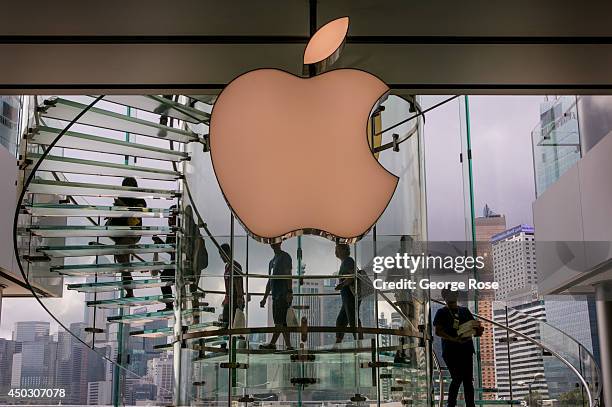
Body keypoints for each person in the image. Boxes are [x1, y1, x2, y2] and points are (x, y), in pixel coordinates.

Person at [433, 289, 476, 407]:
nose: (452, 296)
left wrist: (477, 330)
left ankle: (470, 405)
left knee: (468, 380)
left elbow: (473, 326)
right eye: (448, 295)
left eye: (454, 294)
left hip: (466, 349)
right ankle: (451, 404)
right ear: (444, 297)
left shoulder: (464, 311)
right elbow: (437, 331)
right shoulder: (441, 312)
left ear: (457, 295)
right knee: (457, 378)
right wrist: (453, 339)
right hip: (451, 351)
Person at [108, 177, 147, 298]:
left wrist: (123, 207)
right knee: (123, 261)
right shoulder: (123, 198)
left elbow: (138, 214)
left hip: (131, 233)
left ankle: (129, 289)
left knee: (122, 258)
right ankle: (129, 290)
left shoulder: (139, 200)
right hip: (121, 234)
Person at [259, 242, 293, 350]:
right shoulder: (271, 262)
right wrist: (264, 298)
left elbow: (288, 274)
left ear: (280, 242)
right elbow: (270, 281)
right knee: (282, 322)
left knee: (279, 321)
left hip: (282, 294)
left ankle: (273, 344)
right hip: (275, 294)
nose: (273, 244)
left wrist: (289, 291)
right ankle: (288, 345)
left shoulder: (285, 257)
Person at [334, 243, 363, 343]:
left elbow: (352, 276)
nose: (336, 252)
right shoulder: (345, 262)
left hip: (350, 295)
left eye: (338, 250)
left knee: (352, 319)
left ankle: (360, 343)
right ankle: (338, 342)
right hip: (347, 295)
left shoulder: (348, 261)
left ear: (344, 250)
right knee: (341, 320)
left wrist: (342, 285)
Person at [152, 205, 176, 311]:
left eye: (171, 217)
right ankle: (169, 305)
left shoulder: (182, 231)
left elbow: (173, 249)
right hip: (175, 261)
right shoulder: (171, 232)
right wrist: (159, 243)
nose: (169, 220)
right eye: (169, 217)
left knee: (165, 278)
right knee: (164, 278)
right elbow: (170, 249)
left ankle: (170, 305)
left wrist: (160, 243)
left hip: (180, 262)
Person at [219, 243, 245, 328]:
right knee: (226, 322)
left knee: (233, 324)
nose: (221, 257)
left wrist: (239, 297)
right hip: (230, 299)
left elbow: (237, 282)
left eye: (221, 254)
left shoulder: (235, 266)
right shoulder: (227, 266)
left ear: (227, 253)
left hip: (235, 300)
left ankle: (232, 340)